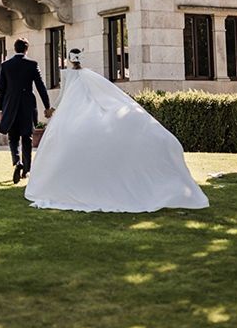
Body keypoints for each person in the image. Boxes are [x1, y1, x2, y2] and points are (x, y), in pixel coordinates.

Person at [25, 48, 209, 213]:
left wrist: (52, 110)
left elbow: (63, 95)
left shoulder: (68, 75)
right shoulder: (89, 74)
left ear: (68, 59)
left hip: (72, 112)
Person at [0, 37, 52, 184]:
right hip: (27, 105)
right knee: (26, 137)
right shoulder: (32, 64)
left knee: (12, 137)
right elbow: (41, 87)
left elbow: (1, 89)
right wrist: (47, 106)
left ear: (15, 49)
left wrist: (0, 109)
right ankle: (26, 169)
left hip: (10, 105)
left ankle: (17, 162)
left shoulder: (6, 65)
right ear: (26, 49)